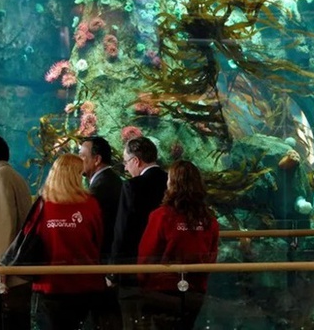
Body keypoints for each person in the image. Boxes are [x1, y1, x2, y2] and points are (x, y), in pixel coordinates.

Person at [138, 160, 219, 330]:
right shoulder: (209, 220)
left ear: (172, 183)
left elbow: (147, 255)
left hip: (162, 290)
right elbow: (211, 256)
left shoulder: (161, 216)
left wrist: (142, 282)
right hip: (195, 291)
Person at [28, 154, 105, 330]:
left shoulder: (42, 206)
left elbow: (29, 238)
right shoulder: (90, 204)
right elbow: (99, 240)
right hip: (86, 282)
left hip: (49, 284)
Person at [110, 136, 168, 329]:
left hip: (134, 266)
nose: (126, 168)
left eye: (126, 162)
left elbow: (122, 230)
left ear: (136, 160)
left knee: (133, 320)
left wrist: (114, 270)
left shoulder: (132, 186)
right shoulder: (171, 182)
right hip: (167, 265)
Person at [78, 136, 123, 329]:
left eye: (82, 156)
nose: (79, 160)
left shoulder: (101, 187)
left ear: (97, 159)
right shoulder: (110, 180)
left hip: (104, 264)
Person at [0, 134, 32, 330]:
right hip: (19, 272)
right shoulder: (15, 176)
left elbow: (3, 226)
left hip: (8, 276)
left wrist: (1, 271)